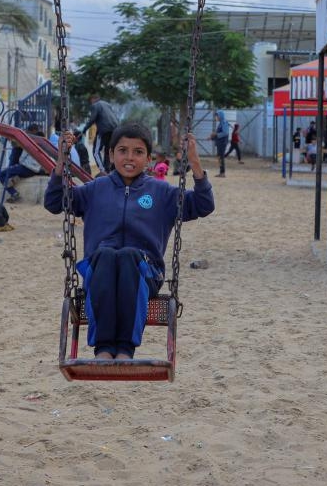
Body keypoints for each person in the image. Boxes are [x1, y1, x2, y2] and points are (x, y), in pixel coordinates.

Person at [44, 122, 214, 360]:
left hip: (145, 272)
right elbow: (54, 202)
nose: (129, 157)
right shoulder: (95, 189)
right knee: (105, 255)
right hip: (100, 271)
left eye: (138, 152)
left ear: (149, 159)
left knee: (128, 255)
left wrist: (194, 162)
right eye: (122, 150)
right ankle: (103, 349)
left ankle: (125, 349)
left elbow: (204, 205)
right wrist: (61, 161)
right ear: (111, 155)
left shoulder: (162, 193)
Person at [0, 124, 46, 203]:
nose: (27, 133)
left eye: (29, 132)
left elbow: (19, 152)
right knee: (13, 173)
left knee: (1, 175)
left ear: (33, 131)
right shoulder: (43, 144)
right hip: (33, 170)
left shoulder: (29, 142)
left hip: (25, 168)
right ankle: (14, 181)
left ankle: (14, 193)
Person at [77, 93, 119, 174]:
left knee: (96, 151)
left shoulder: (95, 105)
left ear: (93, 99)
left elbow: (92, 119)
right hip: (115, 130)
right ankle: (109, 170)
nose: (91, 103)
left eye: (90, 101)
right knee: (108, 150)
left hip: (104, 130)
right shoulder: (108, 104)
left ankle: (103, 170)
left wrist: (84, 130)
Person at [211, 110, 229, 177]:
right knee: (219, 157)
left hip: (222, 142)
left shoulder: (224, 122)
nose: (216, 117)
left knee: (221, 157)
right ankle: (221, 172)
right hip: (220, 142)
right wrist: (213, 137)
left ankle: (222, 172)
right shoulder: (221, 123)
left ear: (220, 116)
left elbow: (225, 133)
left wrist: (216, 134)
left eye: (217, 115)